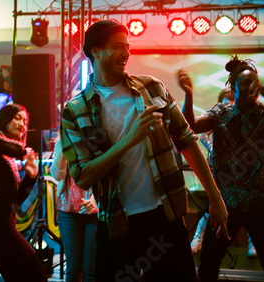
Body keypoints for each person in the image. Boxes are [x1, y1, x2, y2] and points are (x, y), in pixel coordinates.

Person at [59, 19, 229, 282]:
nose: (127, 54)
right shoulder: (75, 110)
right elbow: (83, 176)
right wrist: (130, 139)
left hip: (164, 215)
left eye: (128, 47)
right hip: (116, 223)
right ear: (95, 51)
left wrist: (215, 196)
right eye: (118, 47)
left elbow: (186, 140)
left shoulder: (152, 88)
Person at [180, 55, 264, 282]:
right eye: (245, 83)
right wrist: (188, 94)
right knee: (208, 265)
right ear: (233, 89)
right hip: (225, 203)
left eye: (255, 83)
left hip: (259, 201)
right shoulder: (221, 113)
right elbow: (190, 126)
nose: (251, 88)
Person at [0, 103, 47, 282]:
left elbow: (16, 201)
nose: (22, 124)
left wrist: (31, 177)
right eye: (17, 118)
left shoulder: (9, 158)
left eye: (25, 121)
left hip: (3, 226)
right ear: (5, 119)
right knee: (38, 276)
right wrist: (22, 151)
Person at [188, 87, 257, 257]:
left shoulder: (245, 116)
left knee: (249, 204)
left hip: (243, 168)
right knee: (214, 202)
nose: (229, 108)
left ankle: (252, 244)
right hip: (222, 169)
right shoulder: (217, 116)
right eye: (226, 104)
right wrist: (214, 150)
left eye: (232, 104)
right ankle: (197, 238)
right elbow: (203, 135)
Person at [50, 137, 98, 282]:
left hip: (94, 212)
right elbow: (57, 175)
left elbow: (104, 173)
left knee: (90, 268)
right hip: (68, 210)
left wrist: (95, 198)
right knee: (73, 267)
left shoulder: (97, 136)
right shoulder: (62, 140)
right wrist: (65, 146)